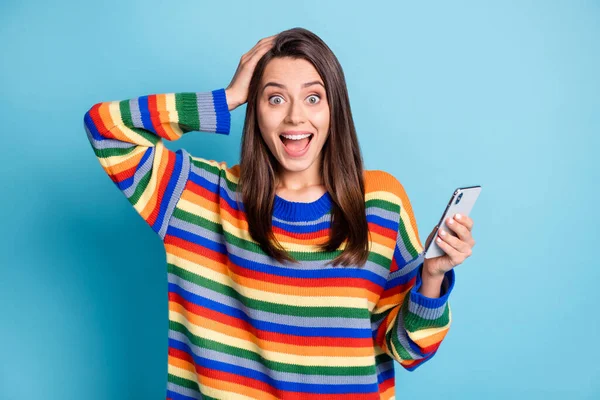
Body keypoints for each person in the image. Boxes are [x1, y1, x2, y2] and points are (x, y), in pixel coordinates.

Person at [83, 27, 476, 400]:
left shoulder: (380, 201)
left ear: (334, 108)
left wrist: (432, 276)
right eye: (275, 98)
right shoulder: (198, 197)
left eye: (312, 97)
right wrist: (227, 98)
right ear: (256, 109)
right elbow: (105, 129)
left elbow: (408, 350)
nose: (294, 117)